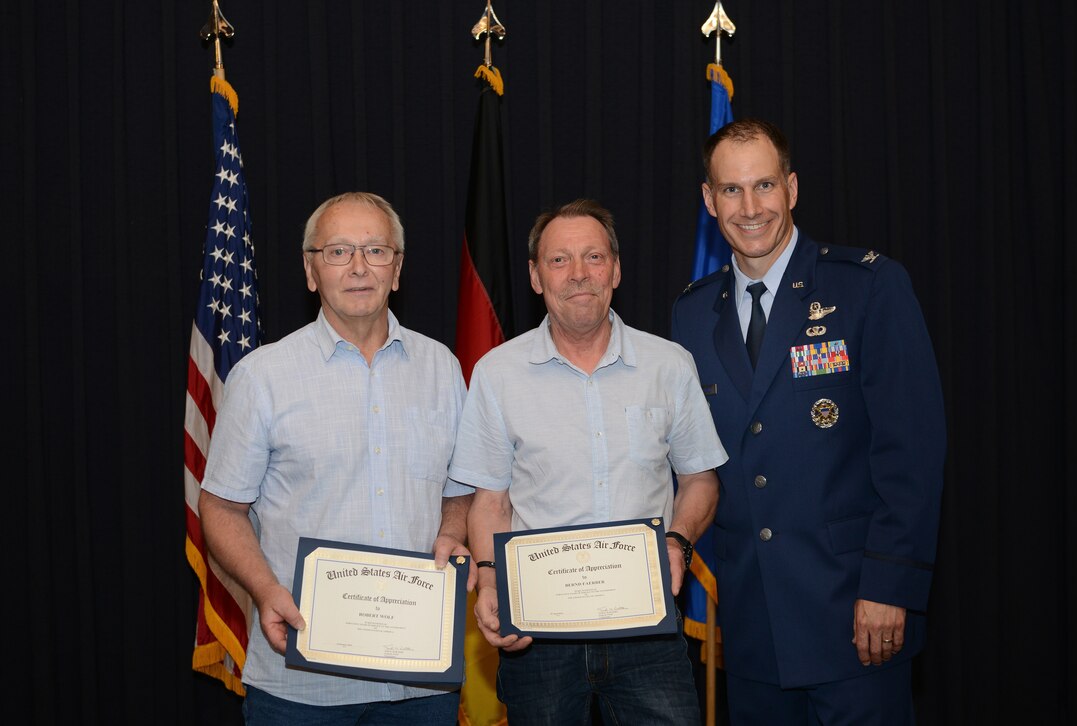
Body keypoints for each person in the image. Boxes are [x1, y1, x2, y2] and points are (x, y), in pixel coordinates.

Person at [671, 118, 946, 724]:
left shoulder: (867, 288)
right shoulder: (691, 316)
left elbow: (912, 454)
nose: (750, 208)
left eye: (764, 186)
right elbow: (692, 462)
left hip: (856, 617)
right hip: (751, 629)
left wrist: (888, 587)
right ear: (709, 200)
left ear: (792, 189)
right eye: (732, 190)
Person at [450, 199, 728, 725]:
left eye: (594, 257)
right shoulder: (496, 374)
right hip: (537, 635)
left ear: (616, 269)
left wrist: (678, 540)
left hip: (649, 628)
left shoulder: (668, 365)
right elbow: (490, 502)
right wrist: (488, 582)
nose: (579, 274)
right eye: (559, 260)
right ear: (535, 277)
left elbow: (701, 481)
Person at [199, 192, 474, 724]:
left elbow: (458, 490)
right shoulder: (262, 377)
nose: (357, 267)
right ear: (310, 269)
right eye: (338, 251)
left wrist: (453, 529)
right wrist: (264, 589)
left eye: (375, 251)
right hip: (300, 683)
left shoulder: (442, 367)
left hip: (420, 680)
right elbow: (221, 508)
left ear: (397, 270)